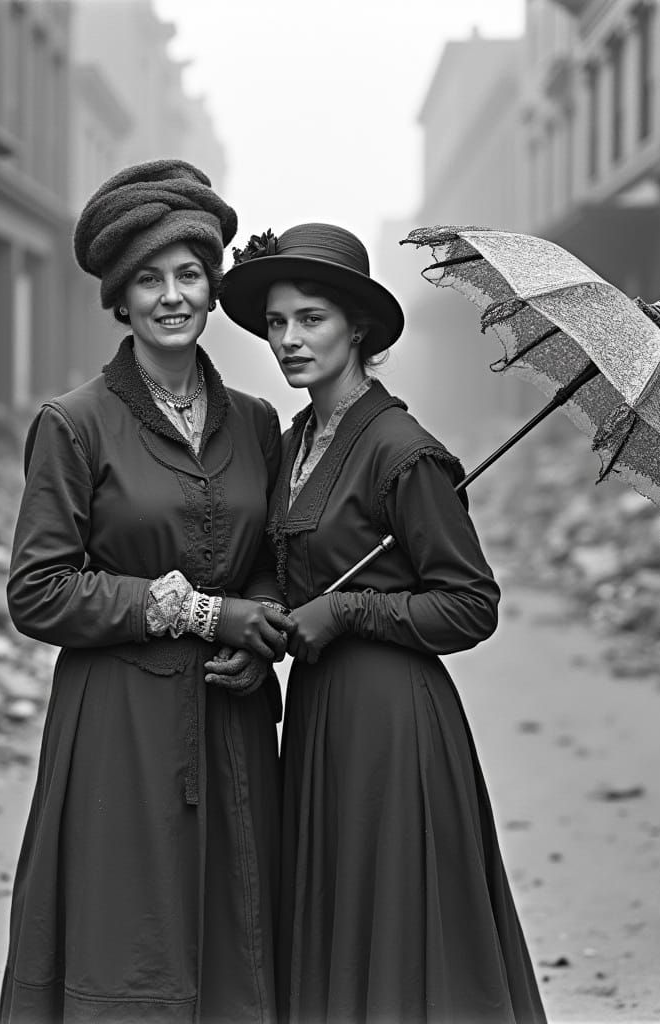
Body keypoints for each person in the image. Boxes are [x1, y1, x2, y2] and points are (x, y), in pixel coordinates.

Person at [219, 223, 547, 1023]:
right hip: (322, 716)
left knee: (400, 943)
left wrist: (348, 607)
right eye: (275, 324)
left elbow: (472, 603)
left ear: (357, 328)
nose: (289, 341)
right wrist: (266, 636)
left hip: (395, 723)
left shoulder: (405, 453)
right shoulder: (292, 440)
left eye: (311, 320)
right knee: (335, 928)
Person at [0, 160, 291, 1024]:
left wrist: (252, 635)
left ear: (212, 289)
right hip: (118, 728)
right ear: (119, 300)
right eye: (149, 280)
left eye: (190, 275)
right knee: (129, 943)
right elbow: (39, 591)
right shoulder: (74, 423)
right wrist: (201, 612)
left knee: (237, 940)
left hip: (231, 724)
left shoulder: (256, 420)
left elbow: (266, 558)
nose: (173, 296)